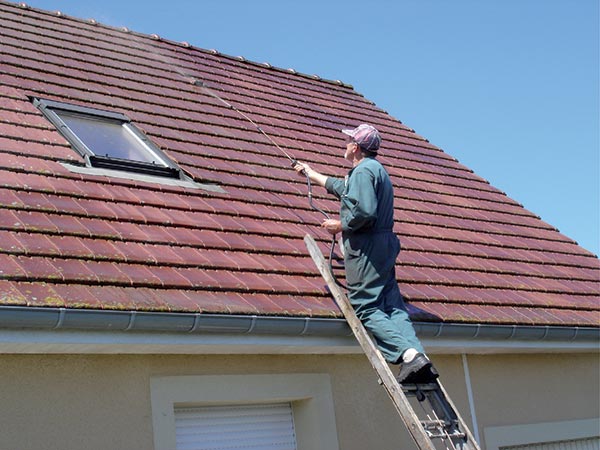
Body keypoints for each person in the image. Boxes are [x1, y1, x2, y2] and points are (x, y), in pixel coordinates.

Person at [294, 124, 438, 383]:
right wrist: (310, 173)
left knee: (366, 306)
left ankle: (405, 354)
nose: (345, 143)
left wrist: (340, 225)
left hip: (367, 249)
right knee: (393, 306)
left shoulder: (363, 172)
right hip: (384, 246)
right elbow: (345, 189)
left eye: (348, 140)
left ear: (356, 147)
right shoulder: (374, 170)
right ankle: (417, 354)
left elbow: (364, 212)